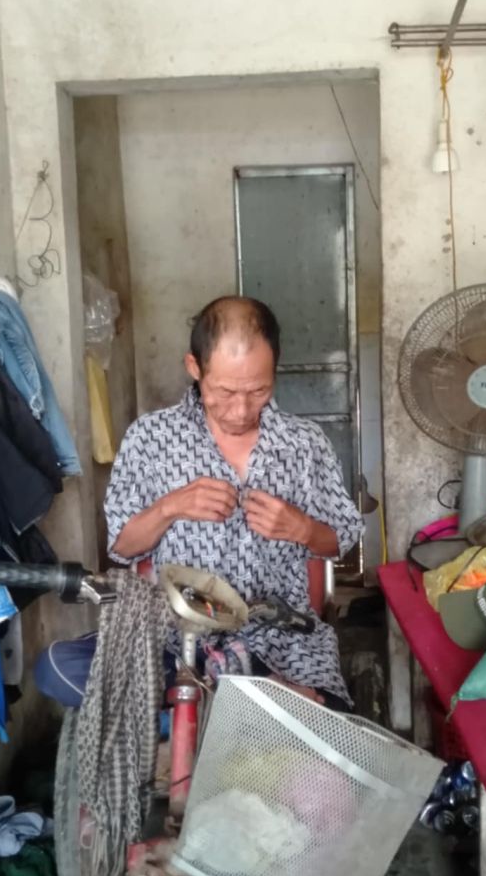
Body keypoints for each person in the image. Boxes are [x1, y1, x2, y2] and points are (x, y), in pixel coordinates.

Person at [104, 296, 364, 705]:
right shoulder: (149, 439)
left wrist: (303, 529)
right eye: (224, 391)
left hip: (282, 639)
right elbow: (122, 546)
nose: (241, 410)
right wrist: (170, 506)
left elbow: (341, 540)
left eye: (259, 390)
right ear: (195, 367)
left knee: (317, 721)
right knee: (111, 694)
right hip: (177, 639)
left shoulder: (304, 444)